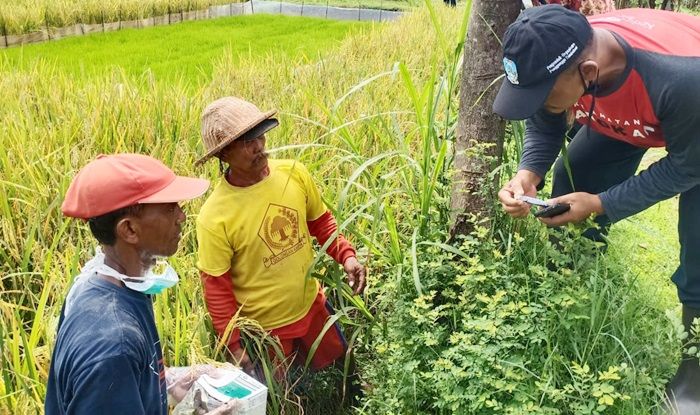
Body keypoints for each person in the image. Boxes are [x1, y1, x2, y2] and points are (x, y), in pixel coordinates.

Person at [492, 5, 700, 413]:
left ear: (588, 72)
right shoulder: (563, 52)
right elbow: (546, 119)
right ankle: (570, 299)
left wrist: (602, 204)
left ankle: (694, 372)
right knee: (578, 172)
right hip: (642, 105)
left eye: (542, 92)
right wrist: (528, 172)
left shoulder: (680, 78)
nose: (539, 103)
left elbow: (687, 166)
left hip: (693, 115)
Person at [194, 97, 366, 384]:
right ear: (223, 154)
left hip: (314, 309)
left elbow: (321, 223)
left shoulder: (293, 173)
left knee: (343, 376)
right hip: (267, 335)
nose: (259, 146)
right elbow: (217, 289)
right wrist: (234, 346)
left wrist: (347, 256)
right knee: (284, 397)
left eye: (260, 135)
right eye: (247, 142)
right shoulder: (214, 217)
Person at [45, 154, 210, 414]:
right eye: (170, 207)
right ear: (129, 230)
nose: (182, 216)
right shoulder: (114, 349)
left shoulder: (97, 283)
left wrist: (171, 380)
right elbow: (114, 369)